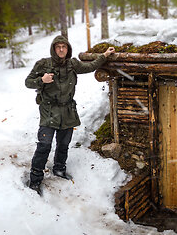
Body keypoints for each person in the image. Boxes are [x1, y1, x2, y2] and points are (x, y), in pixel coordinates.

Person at [25, 35, 115, 195]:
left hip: (67, 111)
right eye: (58, 47)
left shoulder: (72, 64)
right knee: (44, 144)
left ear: (68, 49)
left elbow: (90, 66)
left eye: (64, 47)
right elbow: (28, 82)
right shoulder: (43, 64)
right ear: (53, 49)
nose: (61, 49)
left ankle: (59, 169)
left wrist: (105, 56)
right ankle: (35, 179)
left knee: (63, 144)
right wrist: (41, 80)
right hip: (49, 110)